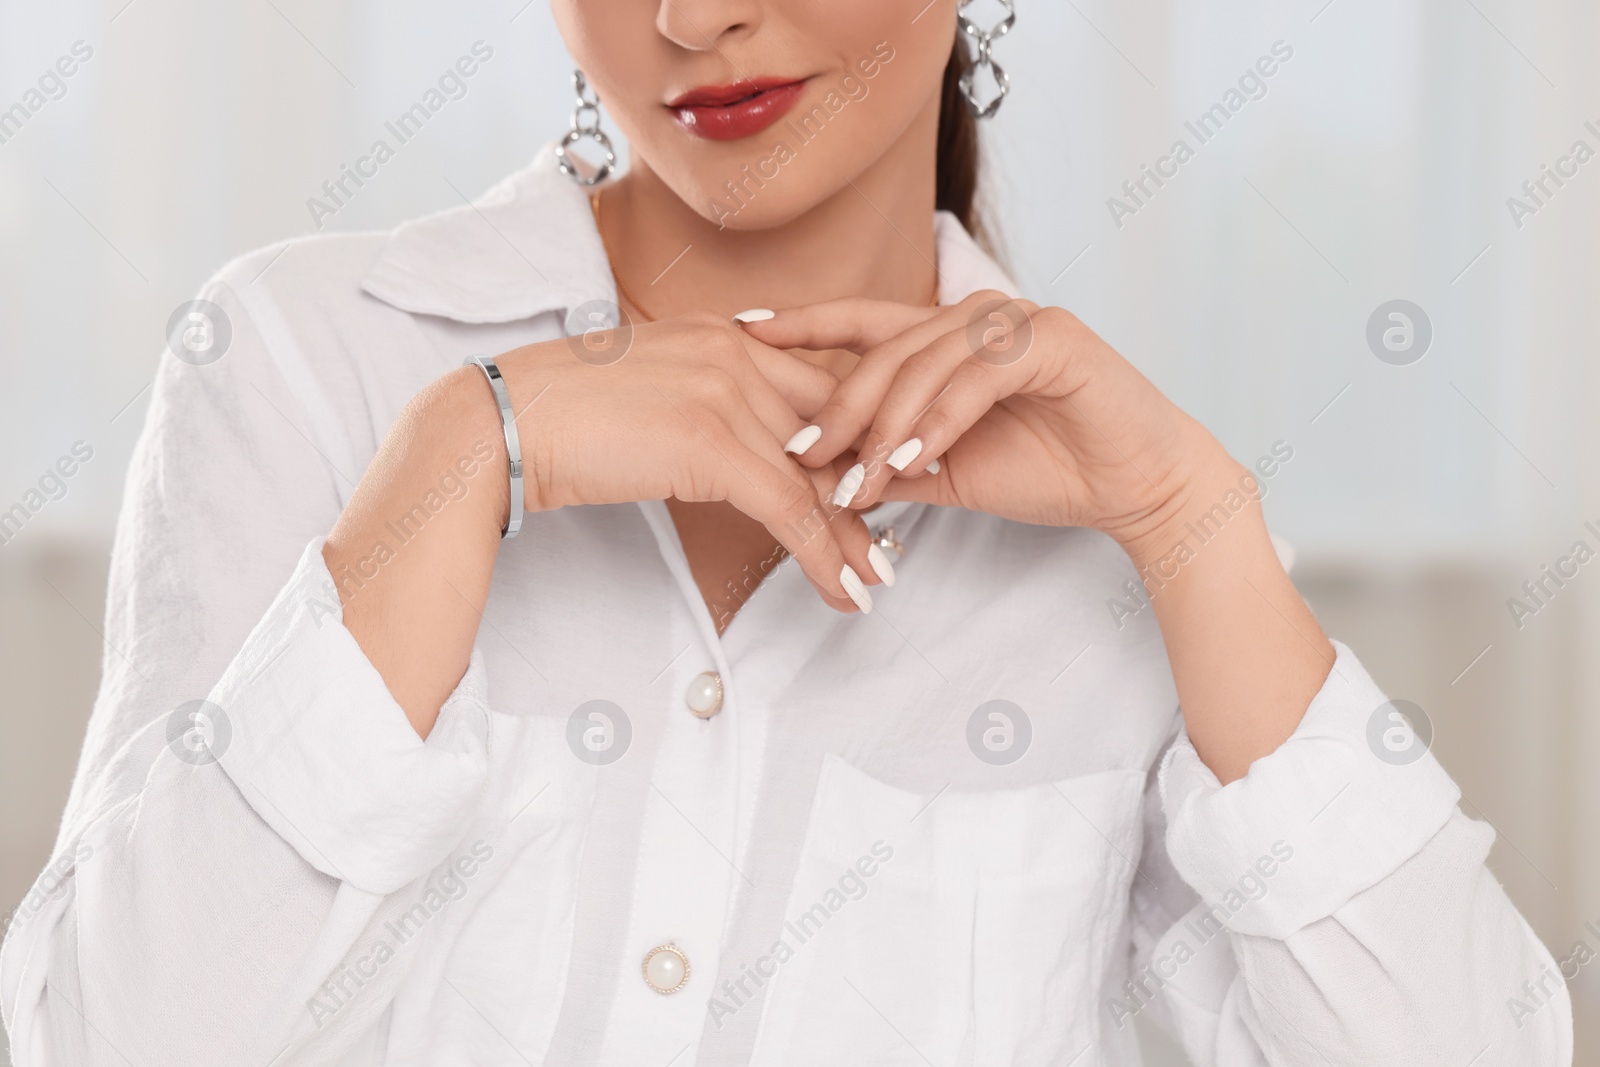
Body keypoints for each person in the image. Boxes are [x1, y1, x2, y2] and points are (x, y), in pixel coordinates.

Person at [0, 1, 1573, 1064]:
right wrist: (464, 456)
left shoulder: (1126, 521)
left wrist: (1196, 529)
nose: (690, 14)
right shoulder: (303, 359)